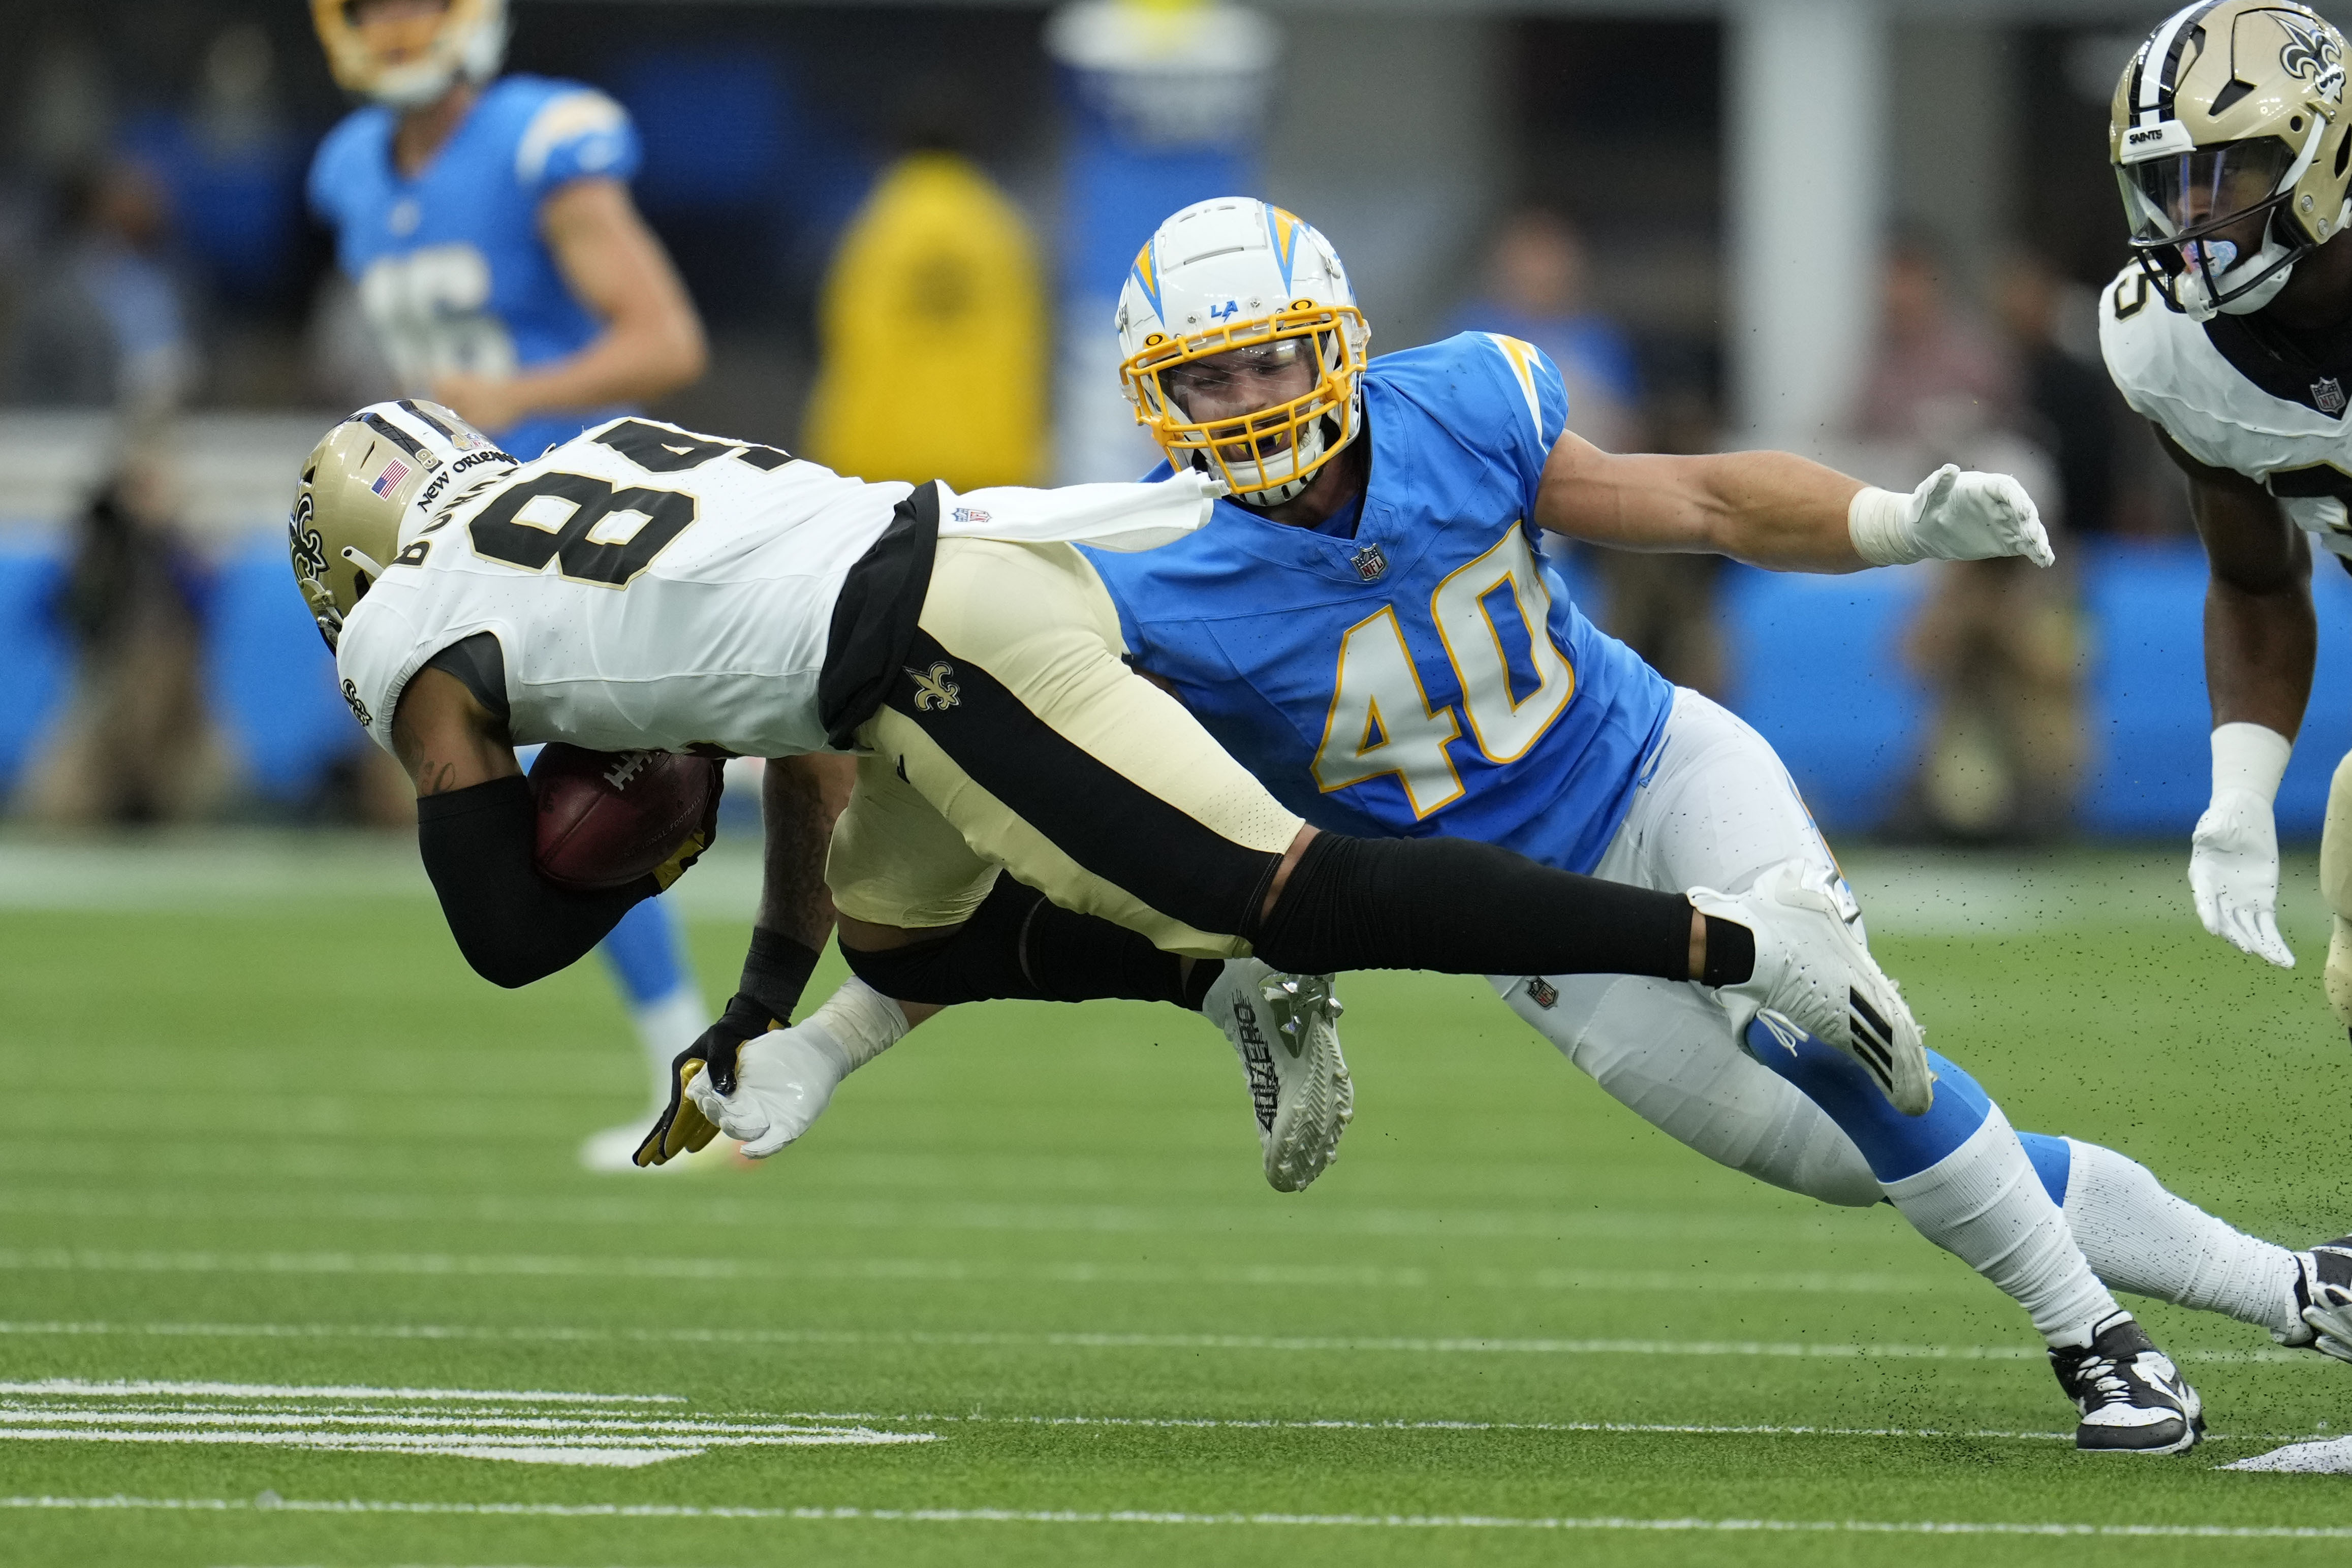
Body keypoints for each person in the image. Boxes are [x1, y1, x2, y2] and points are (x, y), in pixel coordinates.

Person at [695, 197, 2352, 1452]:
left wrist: (1893, 518)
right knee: (1848, 1158)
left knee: (1856, 1038)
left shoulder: (1463, 402)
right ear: (1160, 395)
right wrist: (835, 1035)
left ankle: (2099, 1348)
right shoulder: (1142, 597)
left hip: (1658, 763)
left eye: (1278, 351)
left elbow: (1692, 499)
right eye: (1216, 373)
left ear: (1336, 336)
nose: (1260, 393)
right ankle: (2296, 1286)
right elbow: (1044, 843)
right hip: (1524, 915)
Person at [290, 395, 1939, 1218]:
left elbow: (507, 933)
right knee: (905, 915)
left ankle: (1742, 938)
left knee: (1279, 880)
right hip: (946, 557)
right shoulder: (602, 464)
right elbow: (795, 744)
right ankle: (1220, 981)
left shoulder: (408, 628)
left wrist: (646, 824)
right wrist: (761, 1005)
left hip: (943, 622)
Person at [306, 0, 712, 1169]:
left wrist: (522, 396)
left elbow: (666, 340)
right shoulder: (347, 169)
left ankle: (706, 1053)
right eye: (371, 9)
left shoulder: (541, 140)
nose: (392, 31)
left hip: (585, 501)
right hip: (473, 523)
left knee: (572, 787)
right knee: (541, 783)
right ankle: (699, 1054)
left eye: (415, 7)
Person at [2100, 0, 2352, 998]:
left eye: (2222, 177)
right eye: (2166, 187)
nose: (2190, 220)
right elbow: (2252, 582)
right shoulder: (2163, 349)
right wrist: (2240, 792)